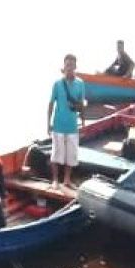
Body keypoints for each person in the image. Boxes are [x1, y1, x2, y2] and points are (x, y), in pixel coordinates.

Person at [47, 55, 86, 190]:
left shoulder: (80, 84)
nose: (69, 67)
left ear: (75, 67)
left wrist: (83, 122)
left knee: (71, 155)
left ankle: (67, 180)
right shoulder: (57, 84)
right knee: (56, 154)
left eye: (71, 65)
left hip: (72, 126)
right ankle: (55, 180)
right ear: (64, 67)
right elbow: (51, 103)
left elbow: (81, 104)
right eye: (67, 65)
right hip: (58, 125)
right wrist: (48, 123)